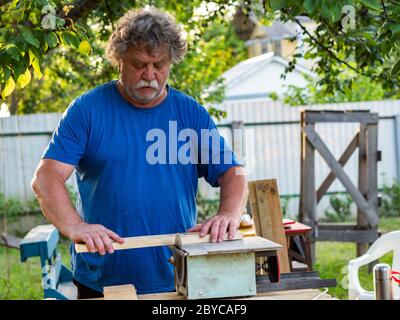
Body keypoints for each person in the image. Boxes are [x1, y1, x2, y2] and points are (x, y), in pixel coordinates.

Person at [31, 7, 247, 299]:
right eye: (139, 64)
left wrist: (228, 213)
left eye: (159, 65)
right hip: (102, 279)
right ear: (119, 61)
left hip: (176, 274)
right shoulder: (87, 110)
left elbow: (232, 172)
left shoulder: (189, 113)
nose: (149, 75)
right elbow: (46, 178)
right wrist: (75, 225)